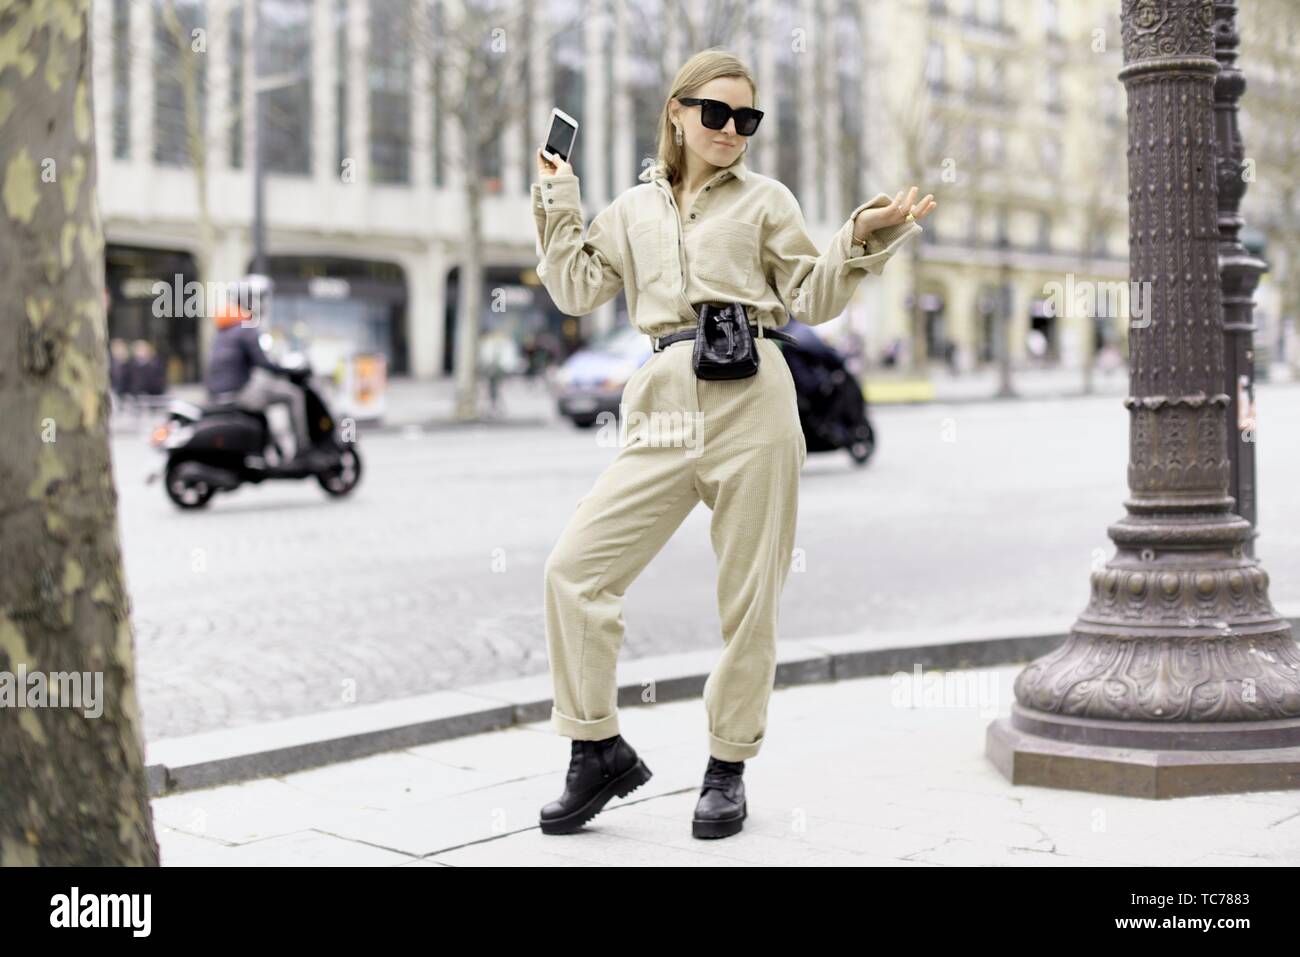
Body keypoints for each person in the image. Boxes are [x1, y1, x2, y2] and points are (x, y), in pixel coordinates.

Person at [532, 49, 936, 839]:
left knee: (748, 600)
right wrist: (557, 195)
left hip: (754, 396)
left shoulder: (766, 202)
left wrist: (860, 236)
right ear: (676, 113)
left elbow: (810, 297)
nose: (730, 130)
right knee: (574, 570)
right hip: (660, 402)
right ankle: (595, 748)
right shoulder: (629, 210)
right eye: (714, 114)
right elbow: (575, 289)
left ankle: (726, 766)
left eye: (745, 119)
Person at [204, 302, 317, 467]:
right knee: (293, 395)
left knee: (263, 400)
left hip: (218, 394)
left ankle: (275, 448)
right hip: (239, 393)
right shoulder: (244, 330)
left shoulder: (221, 334)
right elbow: (262, 362)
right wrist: (287, 370)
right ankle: (303, 447)